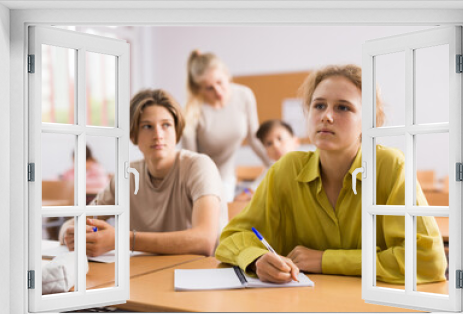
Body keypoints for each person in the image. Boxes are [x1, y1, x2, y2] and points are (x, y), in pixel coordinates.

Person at [215, 64, 447, 284]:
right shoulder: (286, 169)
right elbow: (231, 237)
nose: (326, 115)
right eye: (319, 105)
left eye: (343, 107)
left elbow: (428, 260)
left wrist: (324, 260)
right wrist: (256, 259)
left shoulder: (390, 166)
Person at [59, 89, 227, 257]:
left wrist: (123, 239)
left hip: (199, 274)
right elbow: (75, 222)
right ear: (134, 135)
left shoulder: (199, 166)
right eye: (147, 126)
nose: (158, 135)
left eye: (166, 125)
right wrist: (71, 233)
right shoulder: (128, 175)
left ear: (177, 131)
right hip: (145, 274)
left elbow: (204, 240)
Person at [182, 50, 271, 202]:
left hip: (226, 177)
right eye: (209, 88)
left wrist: (273, 164)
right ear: (199, 89)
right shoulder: (192, 111)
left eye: (219, 82)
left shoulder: (244, 95)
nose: (217, 92)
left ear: (226, 75)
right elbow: (191, 160)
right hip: (201, 179)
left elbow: (254, 138)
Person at [235, 119, 300, 201]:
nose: (275, 145)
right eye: (269, 143)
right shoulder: (271, 171)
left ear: (296, 141)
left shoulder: (309, 165)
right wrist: (246, 192)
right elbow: (249, 190)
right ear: (267, 153)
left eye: (280, 138)